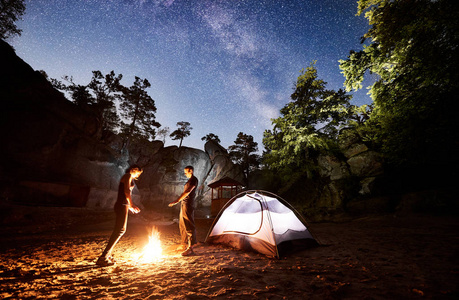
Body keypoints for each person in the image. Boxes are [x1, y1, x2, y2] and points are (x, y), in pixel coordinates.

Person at [96, 164, 143, 266]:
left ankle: (107, 255)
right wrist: (131, 204)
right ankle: (103, 257)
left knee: (120, 230)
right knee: (120, 230)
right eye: (137, 172)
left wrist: (130, 206)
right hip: (122, 205)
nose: (137, 175)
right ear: (132, 170)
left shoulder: (130, 177)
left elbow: (126, 192)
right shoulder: (127, 176)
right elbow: (126, 191)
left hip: (123, 205)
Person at [168, 165, 198, 256]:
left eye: (186, 172)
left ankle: (190, 248)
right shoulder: (189, 180)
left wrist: (177, 200)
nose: (185, 174)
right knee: (182, 224)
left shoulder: (193, 180)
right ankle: (184, 244)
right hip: (184, 203)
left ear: (191, 171)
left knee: (188, 224)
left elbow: (188, 191)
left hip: (188, 204)